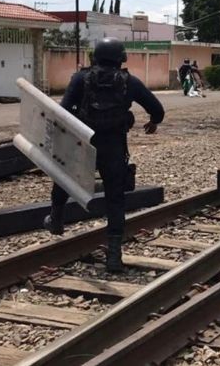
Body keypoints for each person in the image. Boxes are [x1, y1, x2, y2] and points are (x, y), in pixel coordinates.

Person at [44, 38, 165, 272]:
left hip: (82, 143)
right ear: (121, 58)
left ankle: (56, 220)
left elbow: (63, 110)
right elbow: (157, 109)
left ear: (95, 57)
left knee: (63, 178)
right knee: (115, 199)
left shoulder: (81, 78)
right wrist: (153, 122)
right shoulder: (130, 82)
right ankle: (113, 256)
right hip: (113, 147)